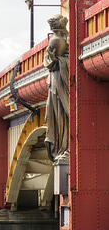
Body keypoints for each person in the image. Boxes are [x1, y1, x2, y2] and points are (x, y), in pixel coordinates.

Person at [44, 14, 69, 162]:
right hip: (54, 81)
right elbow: (48, 60)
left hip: (60, 82)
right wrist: (54, 61)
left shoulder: (66, 40)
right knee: (51, 115)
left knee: (61, 116)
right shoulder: (60, 40)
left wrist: (57, 60)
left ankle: (64, 147)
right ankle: (61, 147)